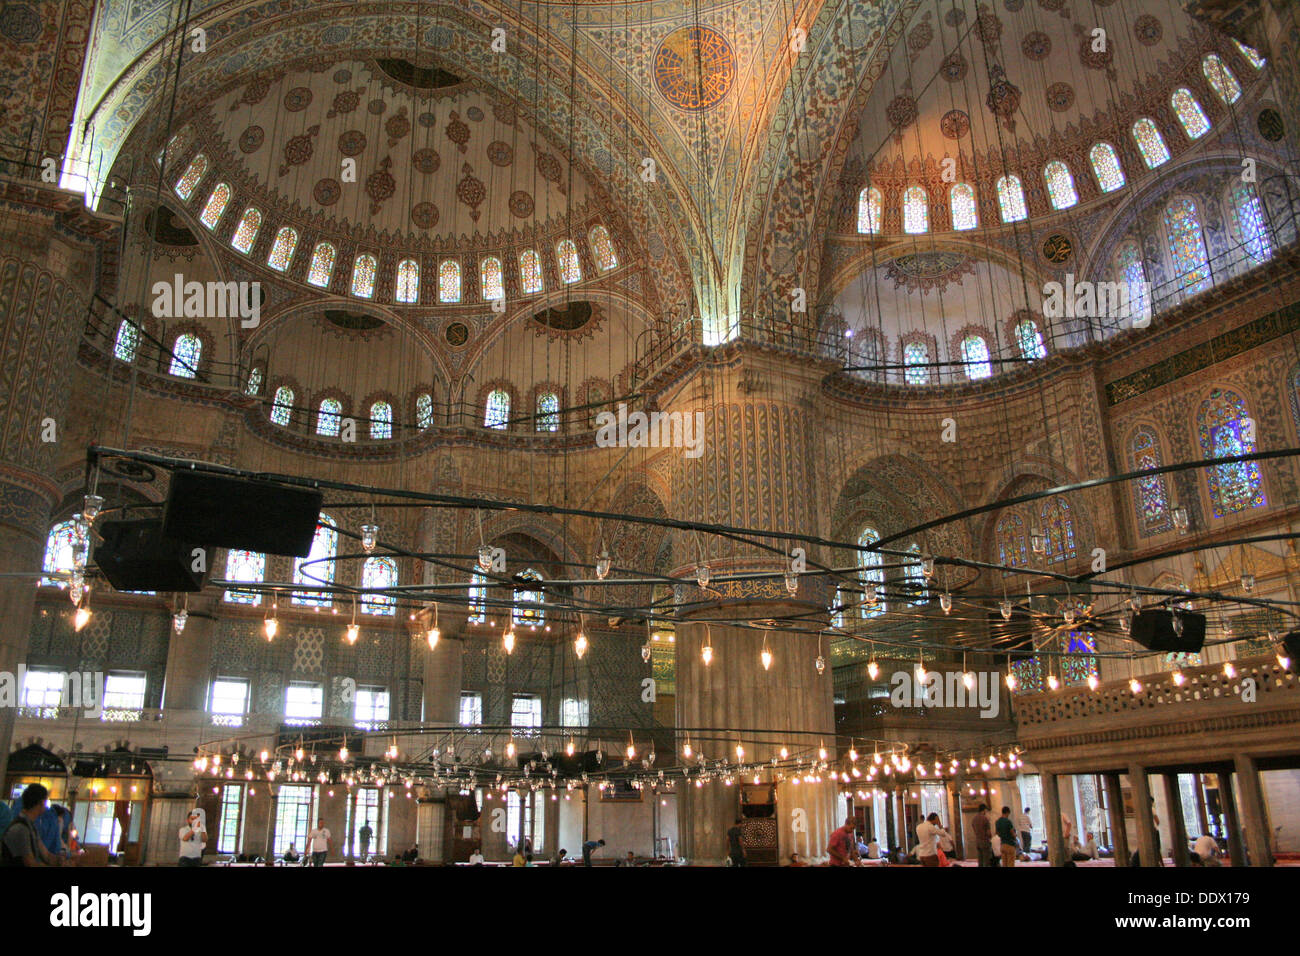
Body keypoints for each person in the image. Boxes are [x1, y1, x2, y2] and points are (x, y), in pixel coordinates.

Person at [2, 784, 59, 867]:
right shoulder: (20, 829)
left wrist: (62, 861)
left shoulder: (30, 826)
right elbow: (30, 863)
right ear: (42, 802)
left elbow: (46, 855)